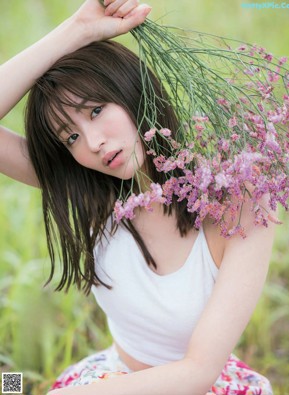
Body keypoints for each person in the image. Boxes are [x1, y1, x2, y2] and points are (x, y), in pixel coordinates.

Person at [0, 1, 275, 394]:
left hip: (195, 385)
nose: (93, 143)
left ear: (133, 90)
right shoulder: (91, 187)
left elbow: (198, 371)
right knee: (7, 385)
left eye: (95, 110)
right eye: (71, 137)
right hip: (112, 380)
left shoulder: (240, 202)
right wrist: (78, 29)